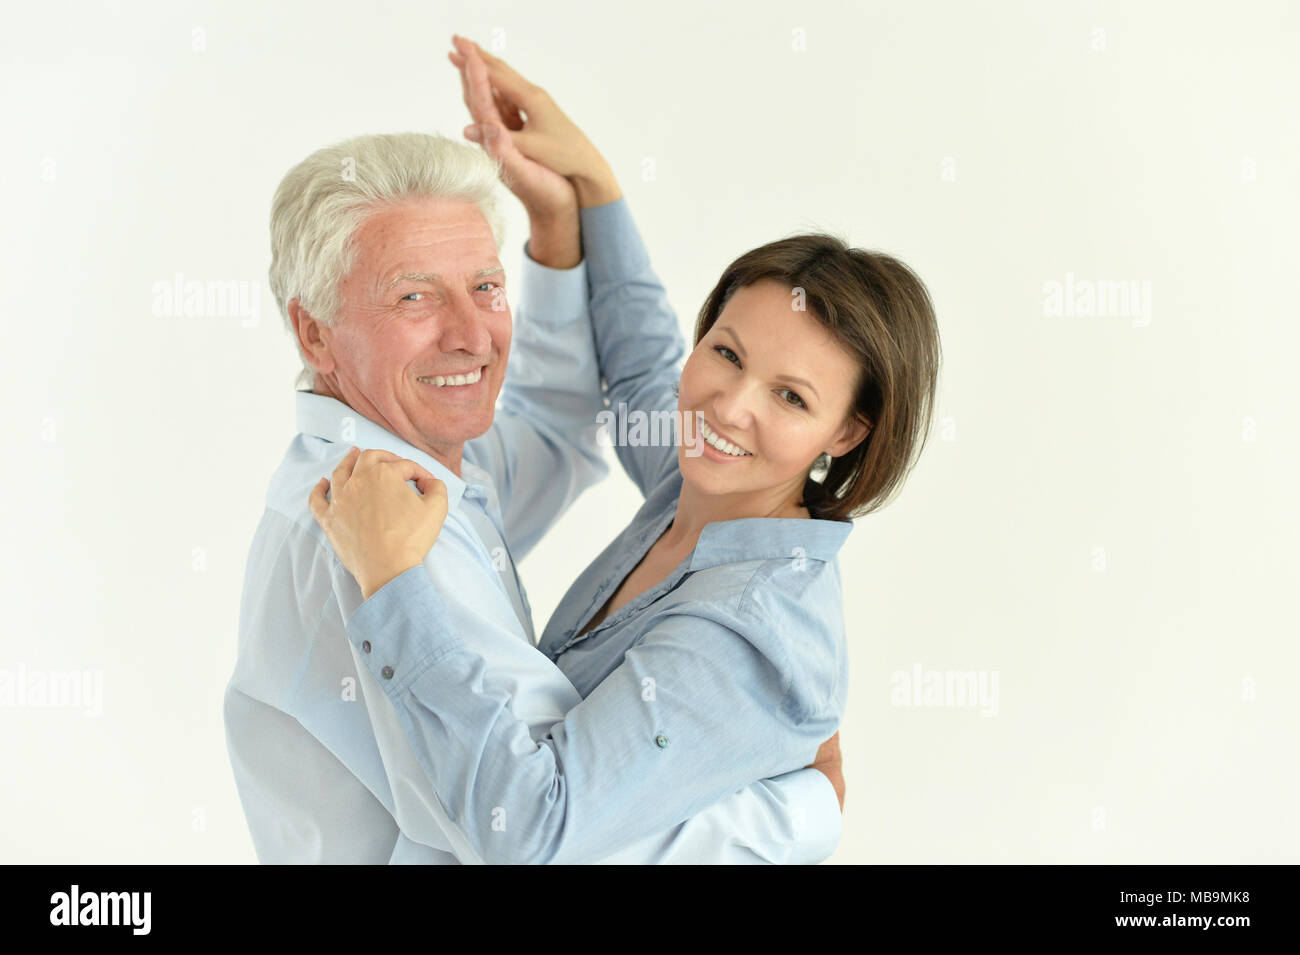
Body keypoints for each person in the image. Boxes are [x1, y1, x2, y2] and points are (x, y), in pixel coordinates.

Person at [306, 36, 942, 864]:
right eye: (726, 352)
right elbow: (643, 359)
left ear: (848, 432)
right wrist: (590, 191)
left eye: (791, 397)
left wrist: (394, 587)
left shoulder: (746, 636)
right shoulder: (703, 486)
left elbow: (532, 829)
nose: (731, 408)